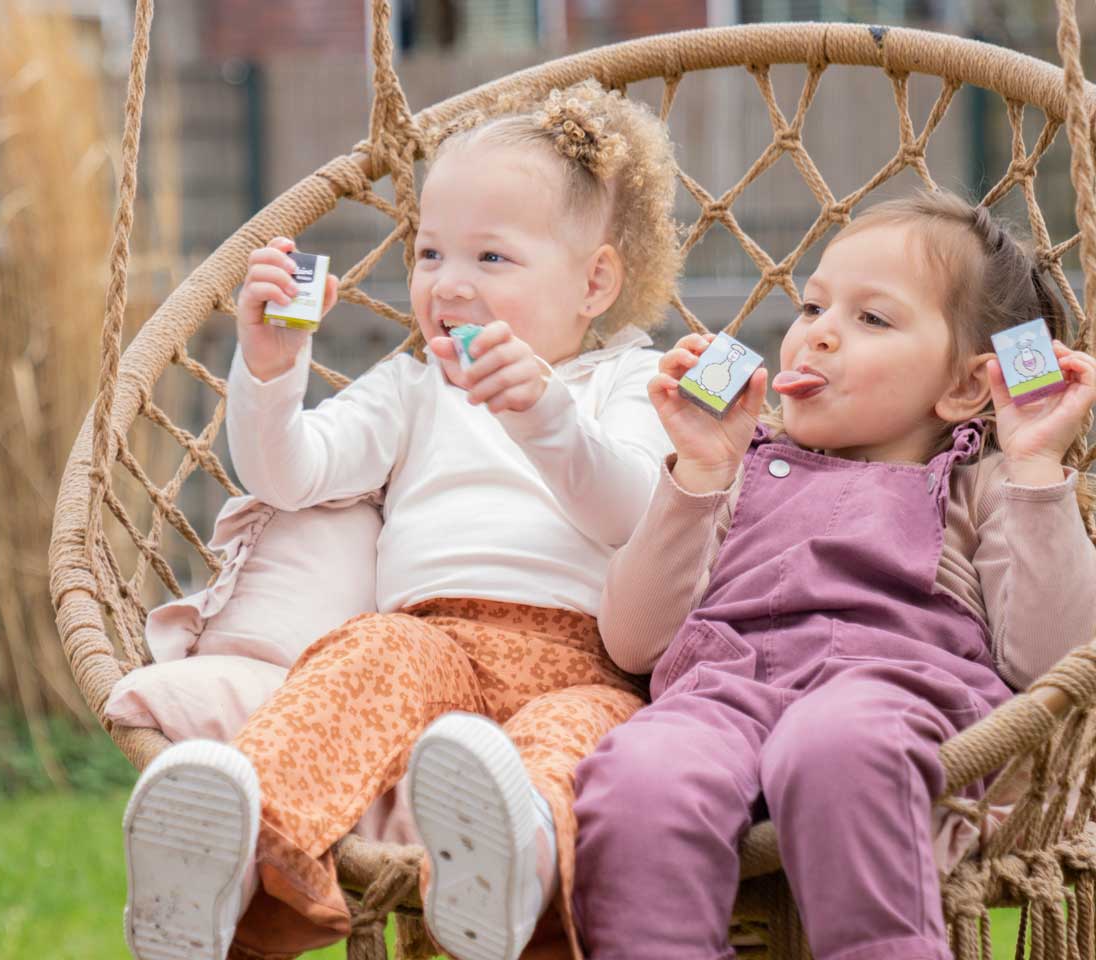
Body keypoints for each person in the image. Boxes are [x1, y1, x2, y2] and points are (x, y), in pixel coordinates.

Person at [120, 79, 680, 960]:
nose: (449, 285)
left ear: (594, 282)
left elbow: (637, 515)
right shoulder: (414, 386)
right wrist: (271, 368)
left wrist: (542, 412)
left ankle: (514, 875)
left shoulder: (628, 385)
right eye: (429, 255)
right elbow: (290, 475)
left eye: (491, 259)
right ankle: (227, 859)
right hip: (433, 639)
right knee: (364, 658)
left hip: (587, 658)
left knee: (581, 740)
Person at [570, 190, 1096, 960]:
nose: (816, 337)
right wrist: (699, 470)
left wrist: (1036, 463)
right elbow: (633, 642)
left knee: (831, 745)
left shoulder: (979, 486)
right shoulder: (736, 470)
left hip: (890, 707)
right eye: (812, 308)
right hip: (723, 701)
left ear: (963, 387)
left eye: (870, 319)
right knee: (638, 779)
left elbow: (1054, 660)